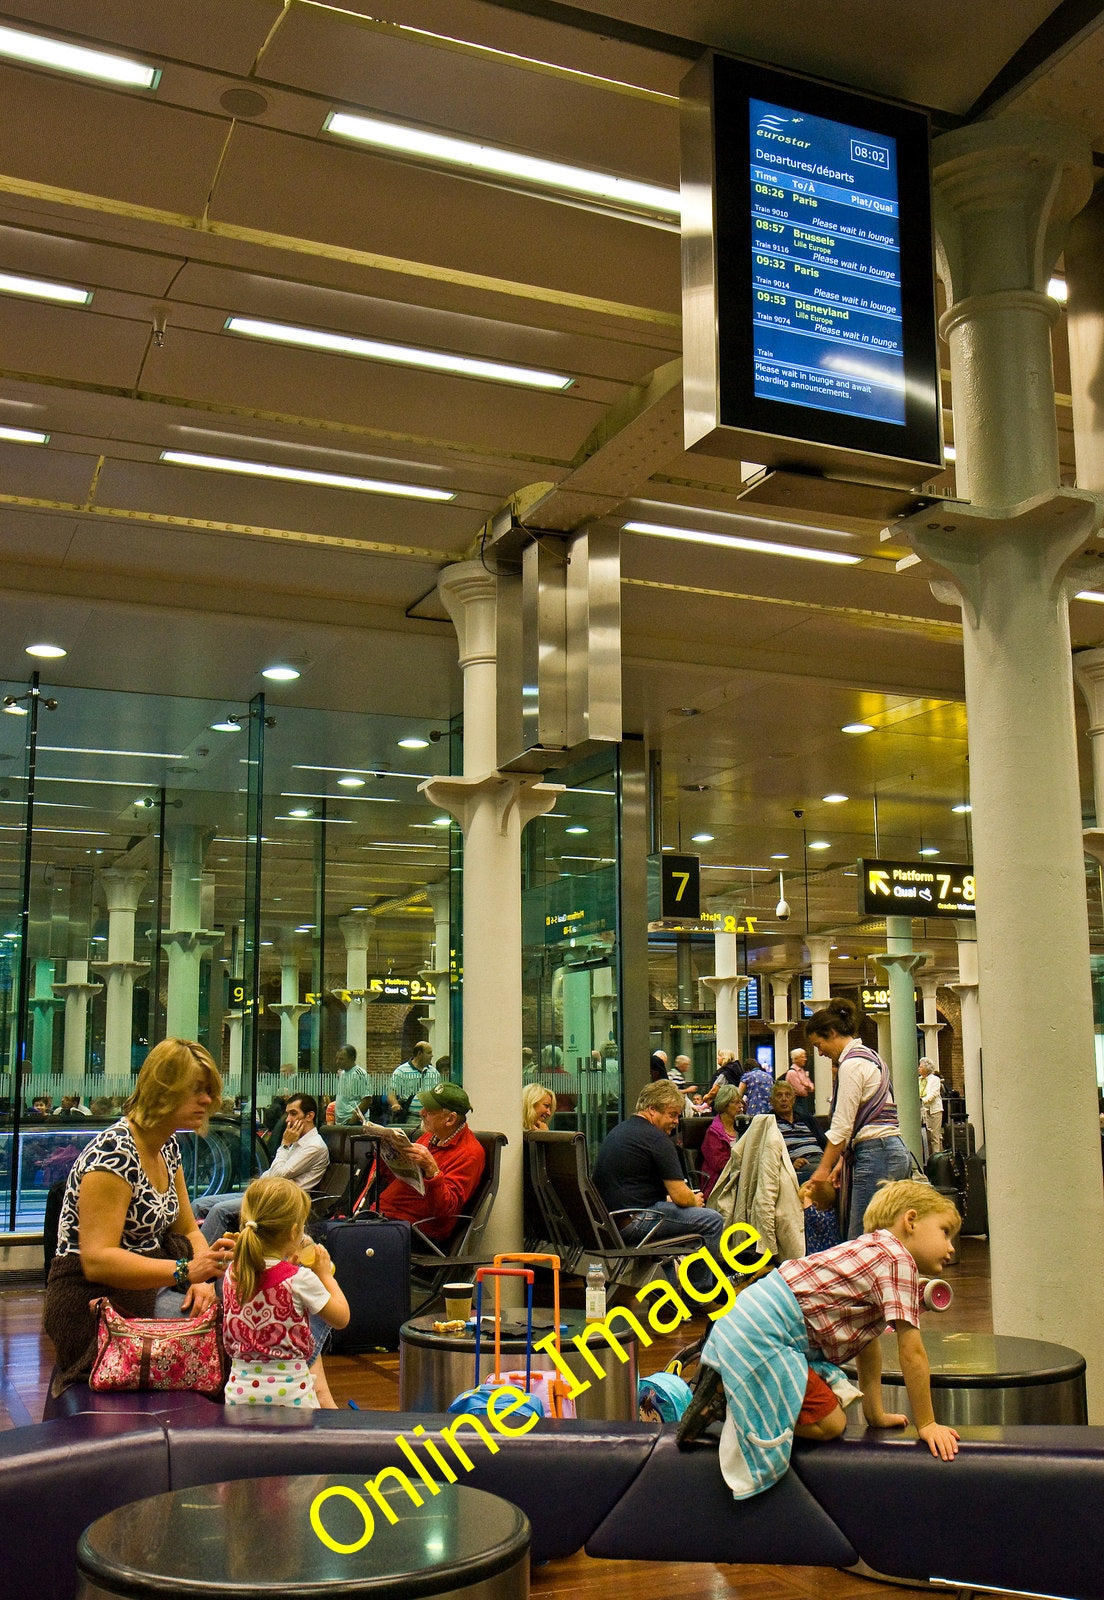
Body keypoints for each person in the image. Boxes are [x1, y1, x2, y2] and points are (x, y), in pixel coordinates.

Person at [684, 1179, 961, 1498]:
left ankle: (735, 1391)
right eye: (945, 1232)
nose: (951, 1247)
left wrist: (874, 1413)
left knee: (831, 1401)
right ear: (910, 1221)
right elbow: (912, 1353)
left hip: (756, 1319)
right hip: (766, 1330)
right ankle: (734, 1399)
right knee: (832, 1424)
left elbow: (867, 1343)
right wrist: (927, 1424)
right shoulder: (897, 1260)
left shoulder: (873, 1251)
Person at [43, 1039, 233, 1391]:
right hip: (94, 1305)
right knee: (230, 1337)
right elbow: (98, 1261)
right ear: (164, 1091)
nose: (207, 1101)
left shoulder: (167, 1145)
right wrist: (185, 1270)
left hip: (148, 1289)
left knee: (249, 1318)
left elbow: (189, 1228)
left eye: (208, 1091)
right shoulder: (114, 1152)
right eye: (197, 1091)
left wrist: (201, 1280)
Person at [221, 1176, 349, 1409]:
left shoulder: (234, 1273)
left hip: (239, 1395)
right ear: (293, 1233)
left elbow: (266, 1279)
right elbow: (341, 1318)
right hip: (292, 1397)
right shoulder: (300, 1279)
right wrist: (325, 1275)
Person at [802, 998, 911, 1239]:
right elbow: (869, 1119)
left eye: (819, 1044)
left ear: (831, 1033)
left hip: (877, 1155)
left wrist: (823, 1168)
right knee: (885, 1239)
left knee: (861, 1242)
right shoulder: (871, 1057)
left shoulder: (850, 1065)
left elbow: (842, 1126)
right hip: (892, 1151)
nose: (820, 1053)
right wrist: (842, 1162)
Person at [592, 1079, 725, 1259]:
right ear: (652, 1109)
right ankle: (700, 1287)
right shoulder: (657, 1139)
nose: (676, 1121)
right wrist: (694, 1200)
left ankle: (669, 1281)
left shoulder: (621, 1130)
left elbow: (633, 1188)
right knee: (712, 1220)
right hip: (635, 1222)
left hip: (610, 1224)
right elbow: (682, 1197)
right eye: (672, 1115)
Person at [200, 1094, 329, 1243]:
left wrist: (285, 1144)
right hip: (263, 1194)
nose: (288, 1120)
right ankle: (180, 1252)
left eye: (294, 1114)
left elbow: (279, 1175)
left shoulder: (314, 1146)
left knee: (219, 1210)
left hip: (281, 1201)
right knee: (199, 1204)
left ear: (309, 1116)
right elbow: (274, 1172)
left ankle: (198, 1258)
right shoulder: (297, 1141)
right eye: (287, 1114)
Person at [376, 1083, 485, 1242]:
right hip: (386, 1217)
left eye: (429, 1110)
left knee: (344, 1239)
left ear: (450, 1119)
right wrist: (385, 1153)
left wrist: (432, 1171)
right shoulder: (429, 1137)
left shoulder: (470, 1153)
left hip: (416, 1229)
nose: (422, 1112)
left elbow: (445, 1212)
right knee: (333, 1231)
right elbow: (401, 1182)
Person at [772, 1081, 839, 1254]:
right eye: (779, 1096)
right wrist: (791, 1162)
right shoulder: (770, 1122)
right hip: (797, 1166)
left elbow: (825, 1143)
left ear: (794, 1099)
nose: (784, 1099)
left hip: (821, 1161)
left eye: (788, 1095)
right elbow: (770, 1155)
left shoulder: (807, 1119)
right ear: (772, 1100)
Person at [699, 1083, 742, 1200]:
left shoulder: (741, 1128)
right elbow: (720, 1165)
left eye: (741, 1102)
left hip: (739, 1179)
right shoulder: (713, 1133)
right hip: (719, 1184)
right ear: (724, 1104)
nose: (740, 1106)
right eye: (736, 1102)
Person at [387, 1040, 438, 1130]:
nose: (432, 1055)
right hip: (410, 1117)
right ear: (419, 1054)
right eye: (429, 1053)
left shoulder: (434, 1072)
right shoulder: (401, 1071)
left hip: (429, 1118)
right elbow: (391, 1093)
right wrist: (395, 1104)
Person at [334, 1045, 371, 1125]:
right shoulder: (342, 1073)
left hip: (353, 1123)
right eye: (337, 1058)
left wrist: (353, 1121)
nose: (337, 1061)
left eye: (341, 1059)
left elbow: (367, 1100)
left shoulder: (359, 1074)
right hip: (341, 1123)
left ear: (352, 1059)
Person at [919, 1058, 944, 1154]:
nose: (918, 1069)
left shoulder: (935, 1079)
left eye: (921, 1067)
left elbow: (933, 1093)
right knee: (926, 1135)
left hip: (934, 1110)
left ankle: (937, 1156)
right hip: (923, 1110)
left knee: (935, 1135)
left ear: (926, 1068)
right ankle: (929, 1156)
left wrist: (923, 1100)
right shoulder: (919, 1080)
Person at [785, 1047, 816, 1116]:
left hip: (804, 1102)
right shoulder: (792, 1073)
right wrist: (807, 1087)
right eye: (802, 1057)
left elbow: (812, 1086)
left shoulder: (802, 1071)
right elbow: (800, 1091)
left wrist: (807, 1086)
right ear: (796, 1059)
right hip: (796, 1102)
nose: (805, 1059)